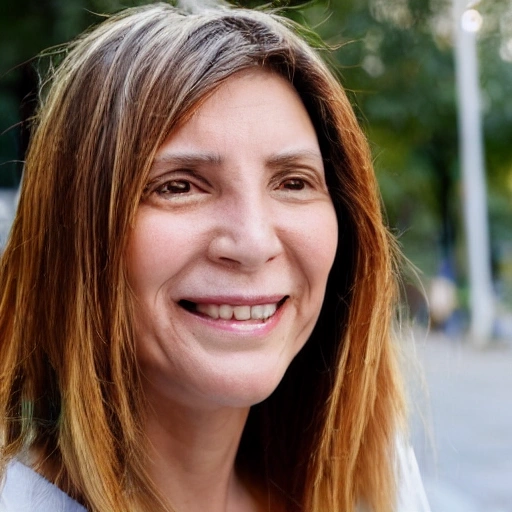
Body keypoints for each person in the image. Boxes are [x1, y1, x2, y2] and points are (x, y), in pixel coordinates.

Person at [0, 3, 430, 511]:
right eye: (178, 186)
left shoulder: (374, 489)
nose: (253, 244)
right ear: (71, 233)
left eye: (293, 182)